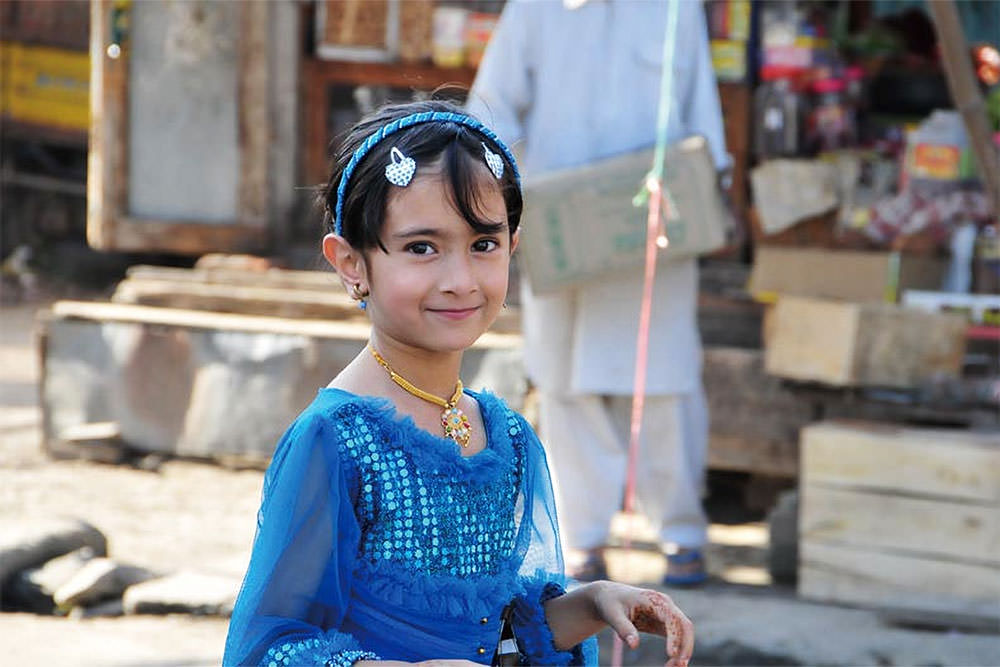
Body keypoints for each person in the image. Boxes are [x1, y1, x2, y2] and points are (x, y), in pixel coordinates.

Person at [223, 99, 694, 667]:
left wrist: (591, 603)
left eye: (483, 245)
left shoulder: (508, 438)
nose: (459, 280)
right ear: (351, 264)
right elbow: (268, 649)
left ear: (513, 246)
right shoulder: (336, 440)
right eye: (422, 248)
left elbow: (496, 641)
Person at [467, 0, 730, 585]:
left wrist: (708, 183)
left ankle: (681, 534)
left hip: (654, 224)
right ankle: (581, 537)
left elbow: (700, 107)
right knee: (563, 383)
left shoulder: (674, 9)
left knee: (664, 380)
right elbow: (492, 108)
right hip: (561, 226)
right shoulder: (535, 10)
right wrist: (497, 198)